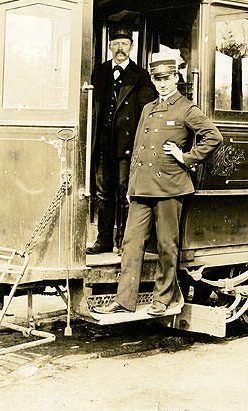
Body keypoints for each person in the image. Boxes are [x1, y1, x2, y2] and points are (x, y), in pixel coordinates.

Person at [97, 56, 223, 316]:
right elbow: (138, 153)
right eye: (157, 79)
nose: (162, 84)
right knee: (130, 243)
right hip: (142, 188)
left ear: (175, 78)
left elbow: (213, 136)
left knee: (167, 245)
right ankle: (124, 300)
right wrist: (132, 187)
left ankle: (162, 299)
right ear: (152, 81)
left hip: (170, 187)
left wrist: (186, 157)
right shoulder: (148, 108)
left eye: (166, 78)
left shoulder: (187, 108)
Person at [88, 25, 156, 254]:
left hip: (127, 145)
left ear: (131, 47)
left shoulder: (141, 76)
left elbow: (146, 112)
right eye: (116, 43)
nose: (120, 48)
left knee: (124, 193)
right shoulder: (99, 73)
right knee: (103, 193)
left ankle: (124, 242)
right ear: (110, 46)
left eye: (124, 44)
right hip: (104, 143)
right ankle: (104, 240)